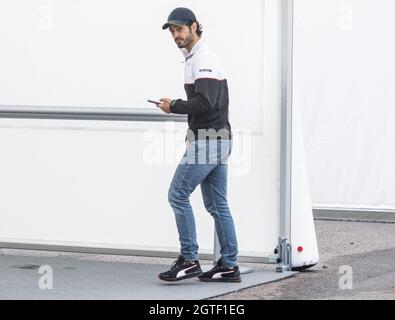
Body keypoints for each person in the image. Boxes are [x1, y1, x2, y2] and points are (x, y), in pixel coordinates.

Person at [157, 7, 240, 283]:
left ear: (194, 27)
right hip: (215, 139)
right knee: (218, 206)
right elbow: (206, 104)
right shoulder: (193, 59)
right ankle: (229, 265)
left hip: (210, 140)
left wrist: (174, 106)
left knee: (177, 194)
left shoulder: (203, 58)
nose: (175, 35)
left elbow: (206, 102)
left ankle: (190, 260)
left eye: (179, 29)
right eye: (171, 31)